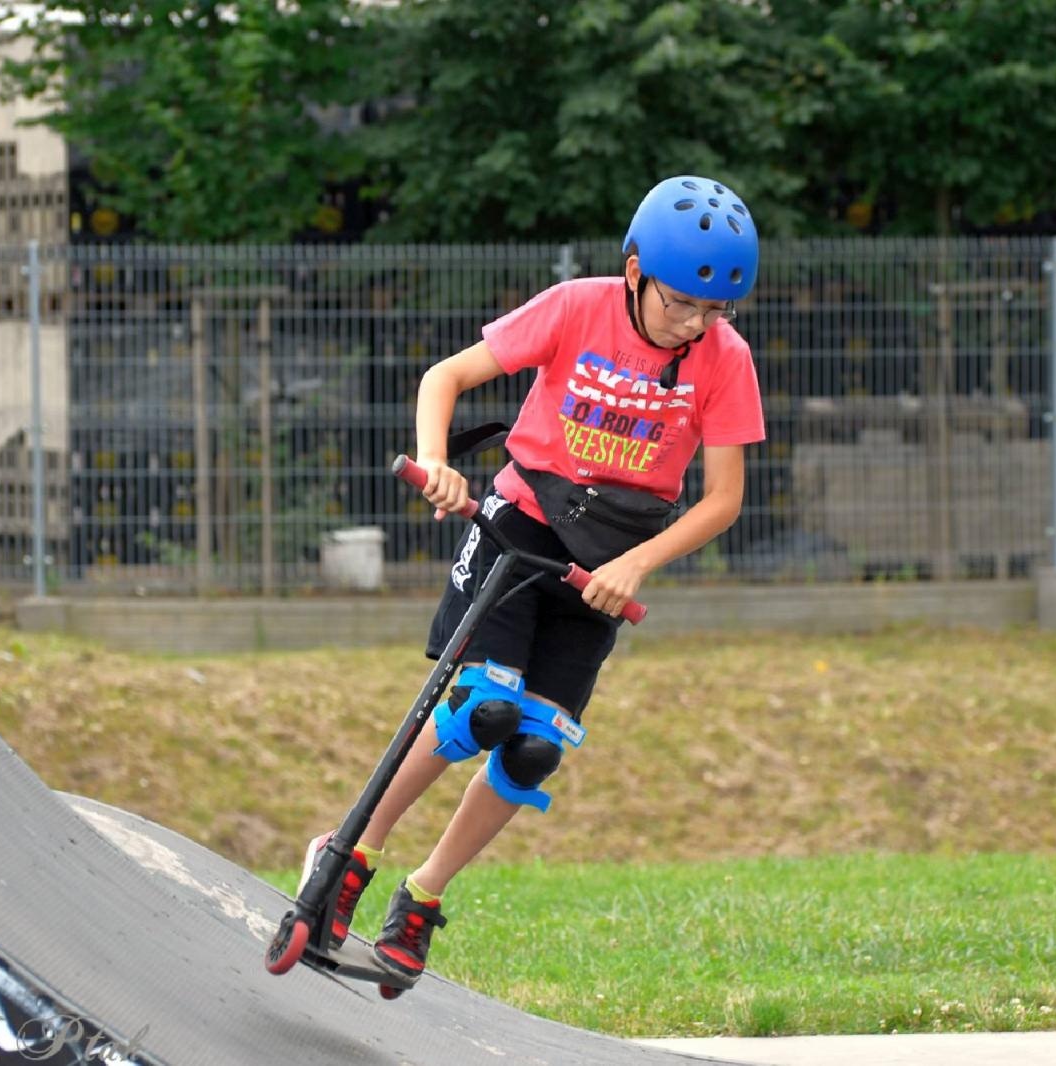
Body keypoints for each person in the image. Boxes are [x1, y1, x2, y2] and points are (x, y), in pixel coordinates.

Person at [298, 174, 765, 987]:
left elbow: (724, 499)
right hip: (521, 526)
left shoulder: (725, 359)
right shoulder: (575, 308)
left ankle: (422, 898)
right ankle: (348, 855)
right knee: (484, 708)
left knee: (535, 744)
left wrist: (635, 564)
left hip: (607, 560)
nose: (695, 324)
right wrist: (437, 462)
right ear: (635, 271)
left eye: (715, 310)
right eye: (682, 303)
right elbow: (444, 377)